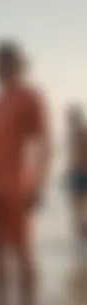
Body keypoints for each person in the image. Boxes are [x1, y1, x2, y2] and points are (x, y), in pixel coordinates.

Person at [0, 40, 51, 305]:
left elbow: (43, 143)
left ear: (17, 64)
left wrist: (39, 183)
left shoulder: (30, 97)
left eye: (3, 63)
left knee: (21, 251)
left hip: (18, 184)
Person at [66, 105, 87, 255]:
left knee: (81, 211)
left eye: (72, 117)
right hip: (75, 175)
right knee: (76, 212)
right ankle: (80, 244)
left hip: (82, 174)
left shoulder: (82, 132)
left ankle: (82, 242)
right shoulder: (72, 133)